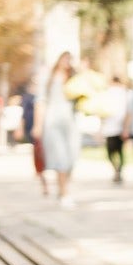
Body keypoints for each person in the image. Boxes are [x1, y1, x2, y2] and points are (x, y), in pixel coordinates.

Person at [31, 53, 82, 209]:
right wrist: (38, 125)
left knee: (72, 157)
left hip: (71, 123)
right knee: (61, 157)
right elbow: (41, 102)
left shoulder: (75, 79)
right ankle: (65, 193)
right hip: (53, 122)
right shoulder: (49, 79)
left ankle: (62, 189)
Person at [97, 77, 129, 184]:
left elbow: (101, 111)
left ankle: (117, 169)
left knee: (112, 152)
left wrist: (100, 129)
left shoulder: (111, 93)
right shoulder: (124, 93)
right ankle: (118, 169)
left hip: (112, 128)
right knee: (119, 152)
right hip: (117, 127)